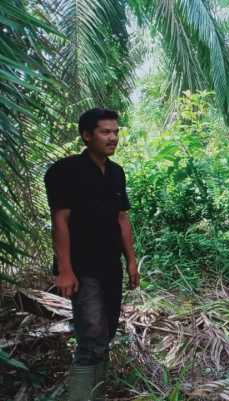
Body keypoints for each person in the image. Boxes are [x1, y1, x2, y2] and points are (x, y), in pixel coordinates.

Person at [45, 108, 140, 401]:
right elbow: (60, 219)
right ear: (86, 136)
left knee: (106, 332)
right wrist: (65, 269)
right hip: (82, 266)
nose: (113, 138)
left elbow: (122, 219)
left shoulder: (115, 172)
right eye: (105, 132)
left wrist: (132, 261)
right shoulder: (66, 170)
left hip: (110, 264)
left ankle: (96, 394)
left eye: (116, 132)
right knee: (92, 334)